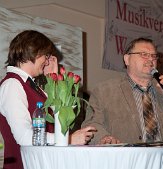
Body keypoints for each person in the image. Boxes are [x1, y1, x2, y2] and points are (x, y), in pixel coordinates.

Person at [82, 37, 163, 169]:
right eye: (144, 54)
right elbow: (91, 124)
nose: (150, 59)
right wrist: (104, 137)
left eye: (154, 56)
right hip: (126, 163)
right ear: (127, 59)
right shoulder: (104, 91)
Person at [0, 30, 96, 169]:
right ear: (33, 52)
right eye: (46, 55)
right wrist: (68, 139)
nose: (46, 61)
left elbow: (58, 118)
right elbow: (25, 136)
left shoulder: (31, 85)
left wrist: (53, 78)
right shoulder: (12, 85)